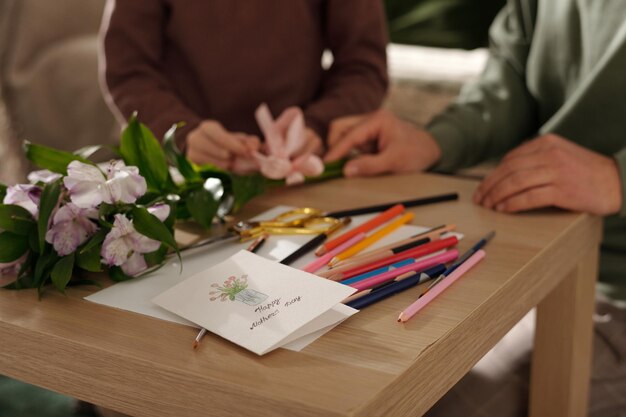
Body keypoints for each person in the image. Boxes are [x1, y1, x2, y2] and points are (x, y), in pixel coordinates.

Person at [324, 0, 626, 415]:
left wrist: (617, 178)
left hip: (611, 296)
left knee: (433, 403)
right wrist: (434, 142)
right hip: (531, 266)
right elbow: (509, 84)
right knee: (349, 377)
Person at [100, 0, 388, 172]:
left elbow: (363, 67)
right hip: (181, 172)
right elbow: (128, 71)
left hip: (303, 168)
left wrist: (319, 125)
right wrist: (182, 132)